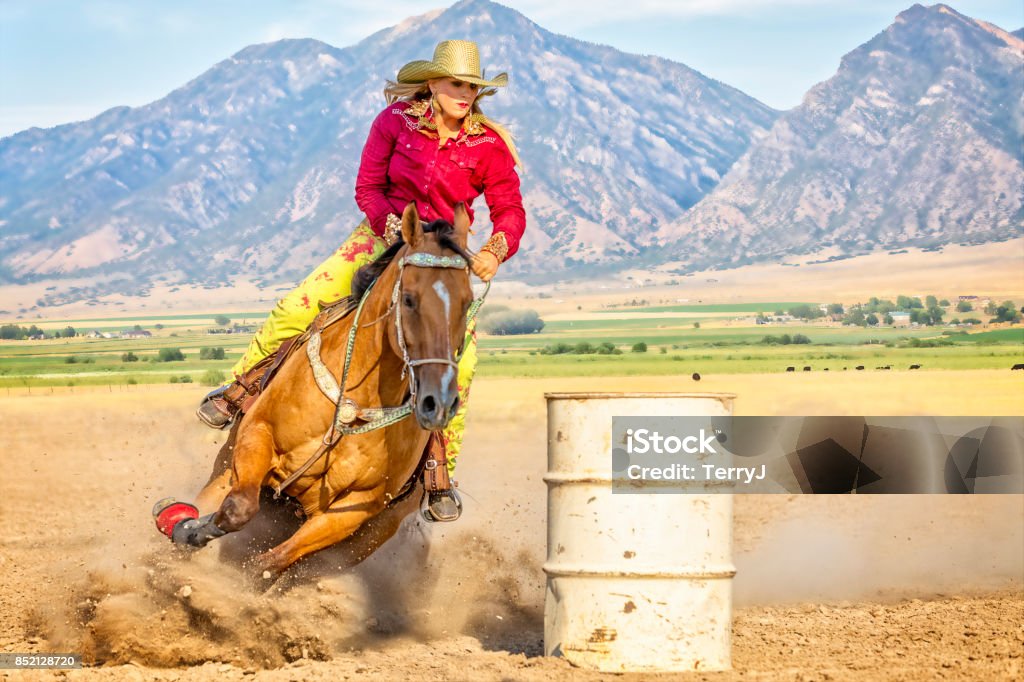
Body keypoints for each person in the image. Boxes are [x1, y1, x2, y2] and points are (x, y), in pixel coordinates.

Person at [195, 40, 526, 520]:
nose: (465, 93)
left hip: (445, 255)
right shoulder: (393, 123)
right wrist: (390, 225)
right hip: (381, 236)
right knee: (296, 308)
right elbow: (368, 187)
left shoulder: (487, 146)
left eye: (472, 86)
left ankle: (438, 471)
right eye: (457, 83)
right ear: (431, 83)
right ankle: (240, 392)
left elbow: (509, 208)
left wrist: (497, 249)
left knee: (463, 364)